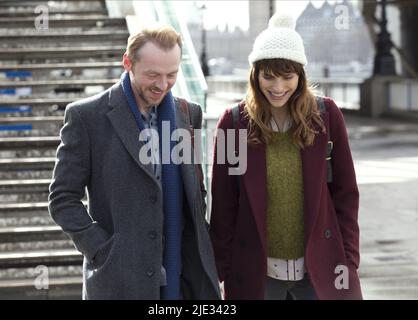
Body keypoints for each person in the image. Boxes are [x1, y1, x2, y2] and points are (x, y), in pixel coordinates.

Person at [48, 26, 220, 300]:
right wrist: (101, 248)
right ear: (127, 62)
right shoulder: (85, 116)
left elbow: (196, 193)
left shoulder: (190, 114)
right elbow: (62, 199)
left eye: (171, 75)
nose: (163, 85)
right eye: (153, 74)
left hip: (182, 279)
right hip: (118, 280)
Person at [209, 12, 362, 300]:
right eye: (268, 76)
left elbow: (346, 194)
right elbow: (224, 207)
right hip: (256, 275)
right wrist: (222, 271)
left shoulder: (327, 117)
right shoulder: (232, 123)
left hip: (323, 271)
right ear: (255, 74)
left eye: (287, 76)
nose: (278, 88)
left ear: (301, 76)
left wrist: (350, 261)